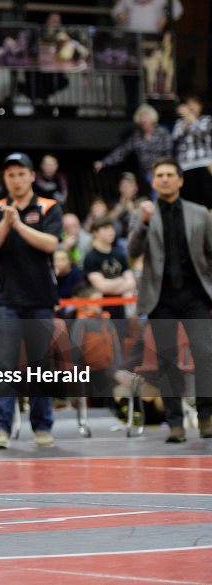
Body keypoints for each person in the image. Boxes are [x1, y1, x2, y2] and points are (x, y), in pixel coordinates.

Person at [126, 157, 212, 442]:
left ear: (180, 180)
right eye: (159, 175)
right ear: (153, 181)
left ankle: (206, 417)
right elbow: (132, 252)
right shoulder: (143, 214)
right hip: (160, 297)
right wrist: (144, 222)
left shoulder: (199, 213)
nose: (164, 179)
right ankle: (175, 422)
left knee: (205, 354)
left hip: (196, 295)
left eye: (169, 174)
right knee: (166, 360)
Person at [0, 153, 62, 449]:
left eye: (21, 173)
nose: (16, 179)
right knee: (5, 364)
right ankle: (0, 427)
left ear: (31, 176)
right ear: (6, 179)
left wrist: (19, 225)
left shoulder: (49, 206)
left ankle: (42, 427)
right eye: (10, 174)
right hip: (6, 300)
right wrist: (6, 222)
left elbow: (51, 243)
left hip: (41, 298)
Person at [94, 104, 173, 193]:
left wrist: (163, 169)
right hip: (145, 173)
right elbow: (122, 151)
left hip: (161, 171)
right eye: (142, 119)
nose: (144, 121)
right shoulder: (137, 136)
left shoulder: (162, 133)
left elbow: (168, 153)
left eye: (146, 118)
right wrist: (103, 163)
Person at [171, 95, 212, 209]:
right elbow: (176, 139)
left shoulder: (207, 120)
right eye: (189, 104)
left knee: (208, 198)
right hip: (186, 166)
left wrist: (191, 118)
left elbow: (203, 134)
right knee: (190, 201)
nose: (191, 107)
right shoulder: (180, 123)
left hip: (204, 164)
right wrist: (185, 122)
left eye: (194, 104)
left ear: (201, 106)